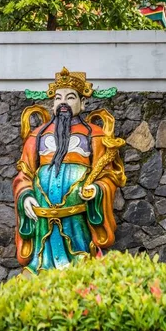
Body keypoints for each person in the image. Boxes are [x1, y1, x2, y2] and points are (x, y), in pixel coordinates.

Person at [13, 67, 126, 274]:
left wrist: (97, 190)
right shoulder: (37, 136)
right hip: (42, 219)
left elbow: (109, 175)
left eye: (70, 97)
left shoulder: (95, 135)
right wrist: (26, 196)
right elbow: (24, 173)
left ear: (82, 103)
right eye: (58, 98)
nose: (63, 102)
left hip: (77, 217)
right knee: (41, 266)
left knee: (81, 264)